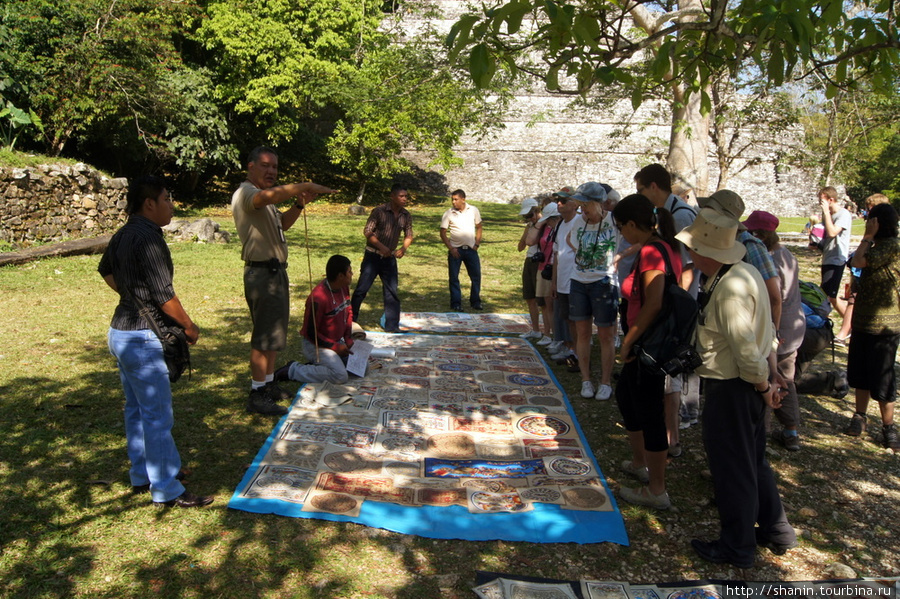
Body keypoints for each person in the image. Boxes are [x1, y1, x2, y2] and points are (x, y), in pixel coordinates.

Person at [676, 208, 797, 569]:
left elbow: (745, 348)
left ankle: (737, 546)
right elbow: (763, 336)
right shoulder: (742, 273)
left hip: (734, 387)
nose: (690, 255)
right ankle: (776, 529)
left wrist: (764, 386)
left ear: (706, 253)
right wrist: (768, 381)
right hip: (745, 384)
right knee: (752, 462)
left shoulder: (729, 288)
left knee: (733, 468)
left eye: (693, 249)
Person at [99, 176, 213, 508]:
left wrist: (132, 298)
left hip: (120, 332)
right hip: (141, 338)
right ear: (149, 203)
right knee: (157, 415)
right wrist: (189, 326)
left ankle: (141, 473)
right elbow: (165, 296)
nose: (171, 204)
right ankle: (165, 487)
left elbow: (106, 270)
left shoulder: (122, 234)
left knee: (136, 409)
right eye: (167, 198)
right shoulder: (149, 237)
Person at [231, 146, 336, 416]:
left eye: (275, 167)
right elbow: (264, 197)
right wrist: (306, 184)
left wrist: (300, 204)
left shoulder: (268, 201)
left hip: (276, 273)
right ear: (250, 166)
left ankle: (267, 385)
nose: (271, 171)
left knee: (274, 335)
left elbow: (283, 224)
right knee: (263, 337)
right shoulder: (246, 193)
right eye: (265, 165)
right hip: (262, 274)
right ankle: (256, 394)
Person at [614, 194, 681, 510]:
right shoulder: (661, 246)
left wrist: (630, 341)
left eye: (621, 227)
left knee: (650, 410)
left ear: (630, 224)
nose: (622, 234)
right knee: (627, 397)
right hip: (643, 341)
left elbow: (653, 302)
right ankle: (640, 464)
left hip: (648, 344)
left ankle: (657, 489)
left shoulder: (654, 251)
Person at [634, 165, 699, 449]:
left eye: (640, 190)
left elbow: (687, 266)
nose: (641, 196)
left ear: (653, 187)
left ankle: (682, 418)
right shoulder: (667, 213)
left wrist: (674, 306)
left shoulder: (681, 215)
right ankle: (676, 423)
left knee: (676, 366)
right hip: (673, 302)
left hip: (677, 305)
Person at [743, 210, 806, 451]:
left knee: (771, 379)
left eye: (753, 232)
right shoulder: (787, 254)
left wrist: (774, 332)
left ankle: (764, 433)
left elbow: (774, 298)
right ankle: (790, 431)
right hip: (793, 324)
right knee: (784, 378)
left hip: (781, 327)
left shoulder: (772, 258)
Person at [843, 203, 900, 451]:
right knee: (861, 372)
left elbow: (858, 259)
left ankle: (888, 427)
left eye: (871, 221)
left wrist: (866, 237)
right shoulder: (877, 246)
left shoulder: (891, 247)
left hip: (885, 326)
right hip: (864, 322)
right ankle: (860, 415)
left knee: (883, 377)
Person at [567, 182, 620, 400]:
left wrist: (620, 256)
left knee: (606, 335)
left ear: (599, 204)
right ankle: (586, 380)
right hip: (579, 281)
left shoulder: (613, 220)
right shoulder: (579, 221)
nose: (582, 210)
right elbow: (571, 239)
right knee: (583, 333)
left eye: (586, 205)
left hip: (603, 282)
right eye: (580, 205)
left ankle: (605, 382)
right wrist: (583, 254)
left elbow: (642, 236)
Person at [275, 255, 355, 385]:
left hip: (336, 341)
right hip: (316, 345)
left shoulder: (343, 287)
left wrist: (348, 339)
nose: (352, 274)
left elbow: (348, 312)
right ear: (340, 276)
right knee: (340, 376)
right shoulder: (318, 298)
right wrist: (335, 347)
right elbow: (311, 333)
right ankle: (293, 369)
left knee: (361, 368)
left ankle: (321, 366)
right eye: (349, 271)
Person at [351, 183, 414, 333]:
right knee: (361, 290)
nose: (404, 199)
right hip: (373, 256)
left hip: (389, 259)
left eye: (406, 196)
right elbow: (367, 231)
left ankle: (392, 326)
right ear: (392, 196)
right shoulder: (379, 211)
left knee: (391, 291)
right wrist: (381, 246)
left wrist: (403, 248)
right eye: (401, 196)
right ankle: (350, 321)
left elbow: (409, 235)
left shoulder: (406, 215)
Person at [836, 194, 890, 342]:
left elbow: (859, 261)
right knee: (853, 298)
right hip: (863, 274)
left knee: (854, 298)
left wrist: (867, 236)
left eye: (870, 209)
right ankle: (845, 331)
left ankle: (844, 332)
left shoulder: (886, 242)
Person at [549, 188, 582, 363]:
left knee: (576, 320)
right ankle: (570, 347)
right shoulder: (561, 224)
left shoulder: (580, 222)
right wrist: (554, 282)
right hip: (562, 278)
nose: (559, 204)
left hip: (576, 279)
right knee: (567, 318)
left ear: (574, 204)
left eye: (563, 201)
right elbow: (556, 254)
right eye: (558, 201)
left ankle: (578, 351)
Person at [440, 189, 483, 312]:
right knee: (454, 277)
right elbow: (442, 232)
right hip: (456, 250)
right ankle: (456, 303)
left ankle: (475, 302)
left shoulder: (473, 210)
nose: (453, 202)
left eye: (456, 199)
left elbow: (479, 227)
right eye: (452, 199)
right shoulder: (448, 213)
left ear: (463, 199)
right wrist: (451, 248)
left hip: (470, 250)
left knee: (476, 276)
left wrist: (477, 244)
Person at [818, 186, 852, 317]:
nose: (820, 204)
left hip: (836, 259)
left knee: (826, 296)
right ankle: (848, 324)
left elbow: (832, 232)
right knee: (830, 296)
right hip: (827, 257)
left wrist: (826, 213)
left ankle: (846, 325)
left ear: (830, 200)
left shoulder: (843, 214)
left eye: (822, 201)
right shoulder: (829, 215)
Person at [532, 202, 560, 345]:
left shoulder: (561, 229)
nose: (548, 222)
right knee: (545, 303)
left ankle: (557, 337)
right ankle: (548, 334)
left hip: (553, 269)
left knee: (552, 306)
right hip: (543, 268)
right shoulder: (545, 228)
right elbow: (530, 240)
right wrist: (538, 225)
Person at [518, 196, 544, 339]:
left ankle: (547, 331)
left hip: (540, 261)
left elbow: (533, 242)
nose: (529, 218)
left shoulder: (545, 224)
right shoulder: (530, 226)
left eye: (530, 215)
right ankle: (535, 329)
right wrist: (528, 229)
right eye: (526, 216)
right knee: (530, 297)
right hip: (529, 260)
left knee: (542, 300)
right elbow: (521, 247)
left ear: (537, 210)